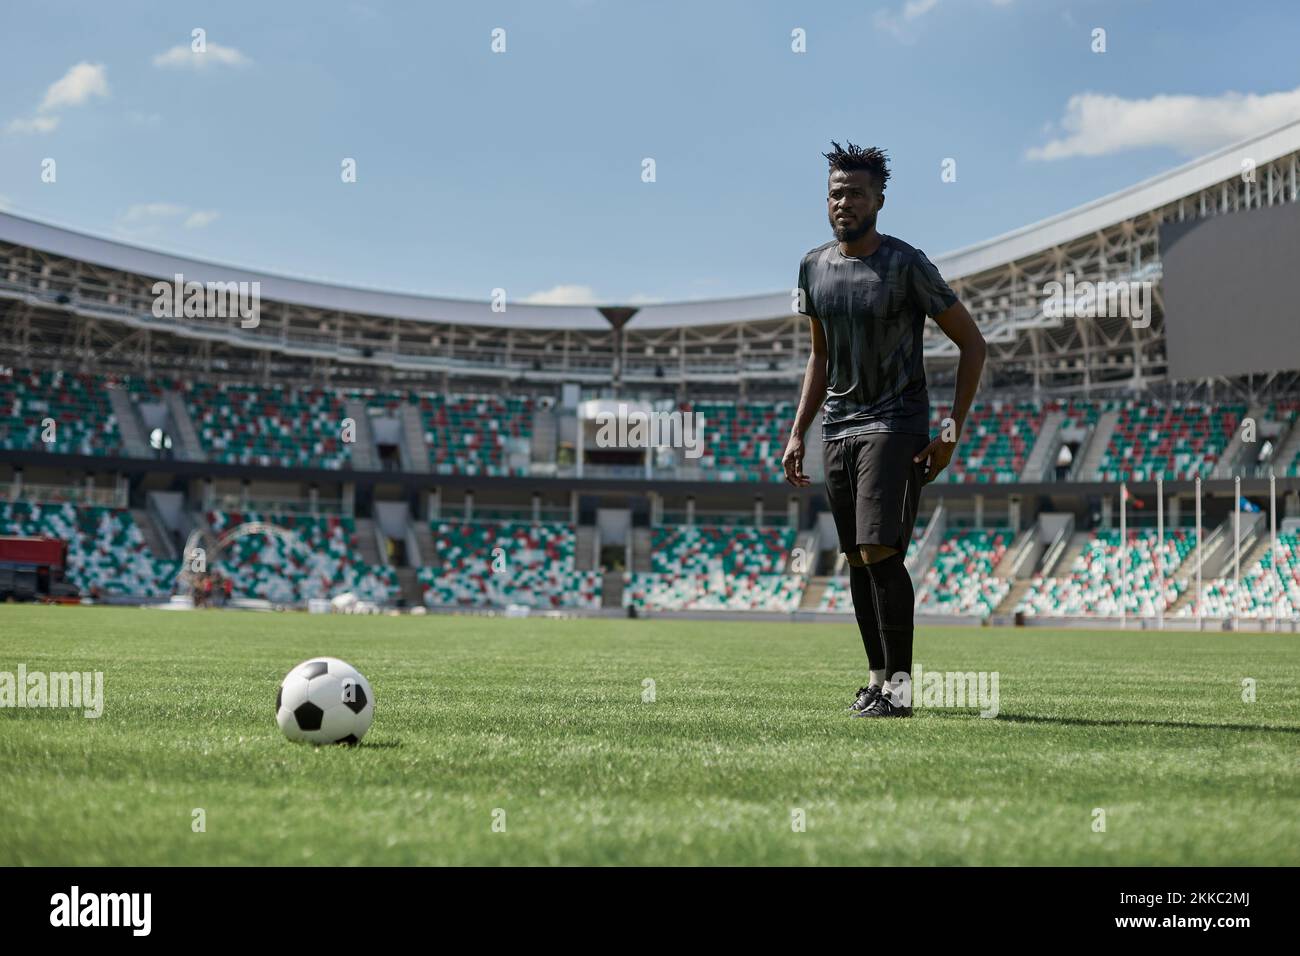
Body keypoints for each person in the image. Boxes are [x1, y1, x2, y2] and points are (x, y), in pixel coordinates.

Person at [783, 142, 986, 718]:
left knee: (880, 549)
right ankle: (876, 682)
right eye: (835, 193)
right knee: (857, 557)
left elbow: (973, 344)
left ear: (879, 199)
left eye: (854, 193)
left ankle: (900, 692)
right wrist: (800, 430)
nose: (842, 202)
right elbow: (819, 357)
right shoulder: (811, 266)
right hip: (838, 428)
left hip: (896, 423)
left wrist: (949, 431)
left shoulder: (906, 263)